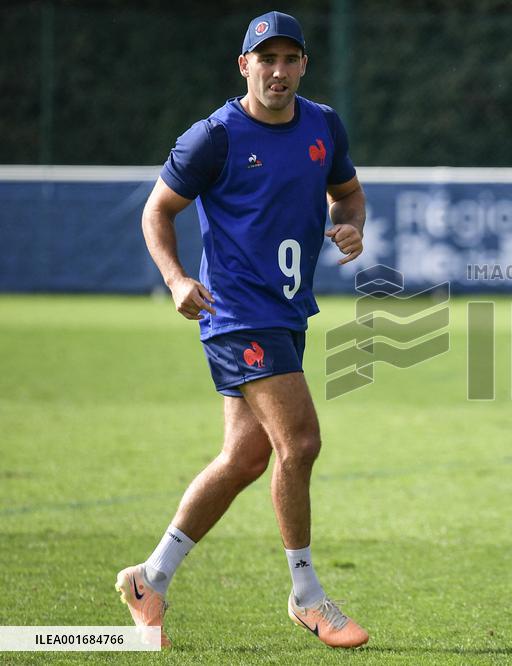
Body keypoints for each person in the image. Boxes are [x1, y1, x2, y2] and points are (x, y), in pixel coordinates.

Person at [116, 11, 369, 650]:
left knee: (245, 457)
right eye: (266, 59)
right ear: (244, 66)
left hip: (287, 315)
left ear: (304, 65)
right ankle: (307, 594)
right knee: (301, 443)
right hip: (236, 315)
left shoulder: (324, 125)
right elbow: (157, 211)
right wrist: (175, 278)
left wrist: (349, 224)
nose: (277, 71)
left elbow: (348, 193)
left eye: (289, 60)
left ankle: (150, 579)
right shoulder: (215, 137)